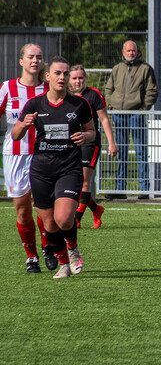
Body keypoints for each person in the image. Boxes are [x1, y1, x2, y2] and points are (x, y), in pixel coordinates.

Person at [12, 56, 96, 278]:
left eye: (65, 73)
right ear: (47, 76)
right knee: (49, 223)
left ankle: (73, 250)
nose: (62, 77)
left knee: (64, 218)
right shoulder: (34, 105)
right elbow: (15, 135)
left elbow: (92, 132)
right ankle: (63, 264)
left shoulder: (79, 104)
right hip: (41, 170)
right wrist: (23, 124)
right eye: (58, 73)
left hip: (68, 168)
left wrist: (85, 136)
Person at [0, 43, 49, 273]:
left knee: (44, 207)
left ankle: (48, 246)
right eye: (30, 57)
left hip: (44, 153)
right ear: (21, 61)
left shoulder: (49, 89)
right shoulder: (8, 88)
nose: (35, 61)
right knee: (22, 210)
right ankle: (31, 256)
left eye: (39, 57)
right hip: (16, 155)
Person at [104, 40, 157, 200]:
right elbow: (108, 88)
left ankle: (144, 189)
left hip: (136, 114)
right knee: (121, 152)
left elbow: (152, 91)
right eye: (128, 50)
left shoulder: (145, 69)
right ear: (123, 52)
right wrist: (111, 105)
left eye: (133, 50)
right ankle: (120, 189)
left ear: (137, 51)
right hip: (119, 114)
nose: (131, 53)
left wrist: (143, 110)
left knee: (141, 151)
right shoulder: (117, 69)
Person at [69, 65, 118, 228]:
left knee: (84, 182)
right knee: (73, 183)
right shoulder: (65, 95)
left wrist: (111, 143)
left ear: (85, 78)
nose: (78, 81)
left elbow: (103, 119)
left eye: (80, 78)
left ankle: (76, 219)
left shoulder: (93, 94)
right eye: (74, 78)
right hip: (71, 143)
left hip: (90, 143)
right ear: (69, 79)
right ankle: (96, 209)